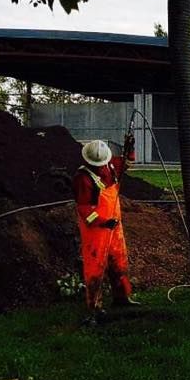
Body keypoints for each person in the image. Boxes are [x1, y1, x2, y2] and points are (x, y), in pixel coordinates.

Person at [73, 132, 140, 325]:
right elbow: (84, 209)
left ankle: (122, 297)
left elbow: (126, 163)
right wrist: (102, 222)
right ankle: (94, 308)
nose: (102, 165)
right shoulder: (83, 178)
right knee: (95, 267)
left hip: (114, 225)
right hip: (96, 231)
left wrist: (130, 147)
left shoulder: (110, 166)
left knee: (119, 261)